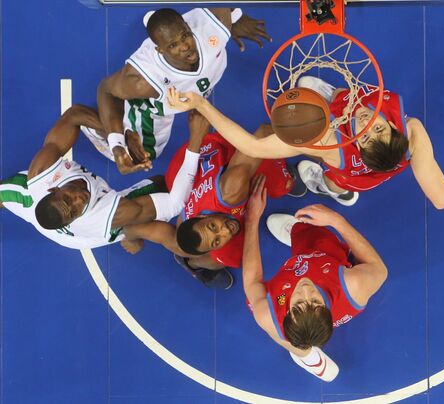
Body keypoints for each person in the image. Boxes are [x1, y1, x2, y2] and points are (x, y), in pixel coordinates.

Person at [165, 77, 444, 208]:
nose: (366, 124)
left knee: (334, 178)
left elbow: (255, 148)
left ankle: (332, 188)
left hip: (347, 172)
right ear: (395, 131)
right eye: (380, 130)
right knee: (319, 88)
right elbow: (441, 196)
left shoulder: (330, 144)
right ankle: (330, 100)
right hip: (382, 164)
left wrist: (201, 104)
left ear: (356, 146)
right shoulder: (411, 130)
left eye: (365, 137)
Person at [122, 117, 304, 289]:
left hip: (199, 155)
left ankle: (278, 172)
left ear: (200, 216)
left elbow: (265, 131)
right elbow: (142, 232)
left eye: (213, 226)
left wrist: (300, 145)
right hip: (182, 180)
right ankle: (193, 264)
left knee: (283, 184)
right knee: (226, 257)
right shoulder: (182, 230)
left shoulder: (232, 188)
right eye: (217, 241)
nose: (225, 231)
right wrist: (130, 238)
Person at [91, 7, 271, 174]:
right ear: (160, 50)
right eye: (173, 45)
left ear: (188, 26)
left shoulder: (213, 24)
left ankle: (159, 23)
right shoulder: (143, 81)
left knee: (174, 32)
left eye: (185, 36)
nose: (185, 46)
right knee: (145, 153)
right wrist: (117, 145)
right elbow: (106, 90)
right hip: (160, 103)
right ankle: (94, 123)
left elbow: (225, 11)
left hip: (198, 83)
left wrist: (236, 20)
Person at [242, 177, 388, 381]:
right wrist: (337, 220)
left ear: (288, 312)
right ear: (327, 309)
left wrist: (252, 220)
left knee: (283, 336)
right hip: (323, 257)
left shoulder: (273, 310)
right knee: (316, 235)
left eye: (299, 302)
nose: (305, 290)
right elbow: (379, 269)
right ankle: (308, 355)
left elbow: (251, 282)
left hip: (295, 277)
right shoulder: (352, 285)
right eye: (315, 301)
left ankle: (306, 357)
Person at [0, 105, 203, 249]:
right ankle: (191, 265)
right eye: (74, 210)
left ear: (54, 189)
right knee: (159, 186)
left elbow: (73, 115)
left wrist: (120, 143)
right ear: (72, 220)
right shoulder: (102, 216)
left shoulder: (42, 172)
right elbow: (175, 203)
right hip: (85, 234)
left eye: (68, 199)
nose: (79, 200)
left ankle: (130, 234)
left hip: (31, 201)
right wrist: (195, 141)